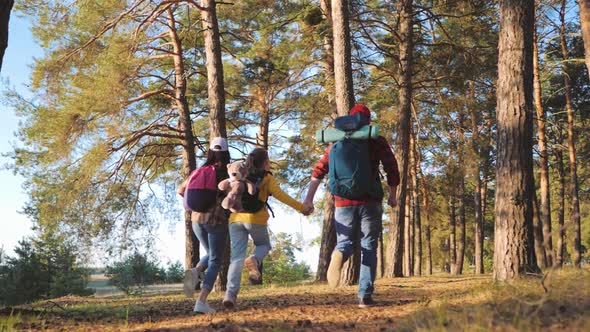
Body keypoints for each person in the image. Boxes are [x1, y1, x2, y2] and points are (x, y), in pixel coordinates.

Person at [303, 104, 400, 308]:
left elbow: (318, 170)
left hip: (342, 202)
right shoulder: (375, 139)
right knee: (368, 246)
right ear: (367, 121)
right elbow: (392, 167)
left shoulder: (337, 140)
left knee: (345, 242)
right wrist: (393, 195)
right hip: (370, 200)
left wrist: (309, 199)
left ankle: (340, 253)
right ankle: (364, 296)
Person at [223, 147, 313, 309]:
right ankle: (254, 259)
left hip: (235, 219)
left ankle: (230, 295)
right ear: (265, 162)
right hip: (256, 219)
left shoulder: (241, 174)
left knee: (236, 258)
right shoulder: (267, 178)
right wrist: (302, 208)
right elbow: (282, 196)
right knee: (264, 245)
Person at [178, 137, 231, 314]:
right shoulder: (225, 172)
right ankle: (201, 302)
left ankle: (195, 271)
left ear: (209, 152)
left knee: (211, 254)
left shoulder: (199, 171)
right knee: (216, 259)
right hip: (215, 220)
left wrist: (197, 205)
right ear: (226, 153)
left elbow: (180, 189)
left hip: (196, 220)